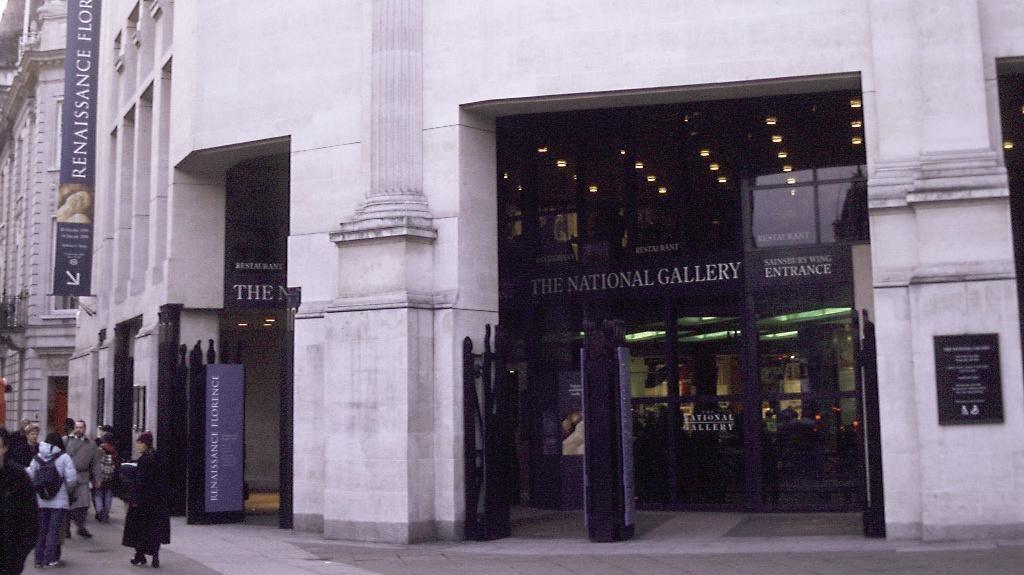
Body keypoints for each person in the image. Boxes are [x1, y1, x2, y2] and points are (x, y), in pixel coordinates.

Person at [27, 432, 76, 569]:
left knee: (41, 530)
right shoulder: (64, 457)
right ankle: (49, 559)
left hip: (41, 499)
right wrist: (66, 490)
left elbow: (30, 475)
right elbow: (71, 479)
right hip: (59, 500)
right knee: (53, 531)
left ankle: (38, 559)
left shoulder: (38, 457)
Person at [122, 432, 169, 568]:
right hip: (156, 501)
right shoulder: (157, 457)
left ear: (146, 444)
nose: (138, 446)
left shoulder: (144, 460)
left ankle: (139, 555)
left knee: (138, 529)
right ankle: (153, 556)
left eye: (140, 443)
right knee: (153, 529)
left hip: (143, 502)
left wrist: (135, 499)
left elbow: (140, 482)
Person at [0, 427, 38, 575]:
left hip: (8, 560)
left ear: (5, 448)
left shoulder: (19, 478)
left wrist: (17, 558)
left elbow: (31, 520)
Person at [63, 419, 99, 539]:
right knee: (67, 504)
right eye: (77, 427)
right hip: (68, 476)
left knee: (84, 504)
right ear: (74, 428)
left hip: (83, 476)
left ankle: (81, 526)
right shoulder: (66, 440)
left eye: (81, 427)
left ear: (85, 429)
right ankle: (66, 528)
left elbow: (95, 463)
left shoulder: (91, 444)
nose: (79, 429)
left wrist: (97, 478)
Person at [92, 433, 120, 523]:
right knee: (108, 495)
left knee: (98, 495)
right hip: (110, 477)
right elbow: (117, 464)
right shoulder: (114, 451)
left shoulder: (99, 449)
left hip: (99, 476)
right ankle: (106, 513)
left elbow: (94, 462)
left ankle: (99, 510)